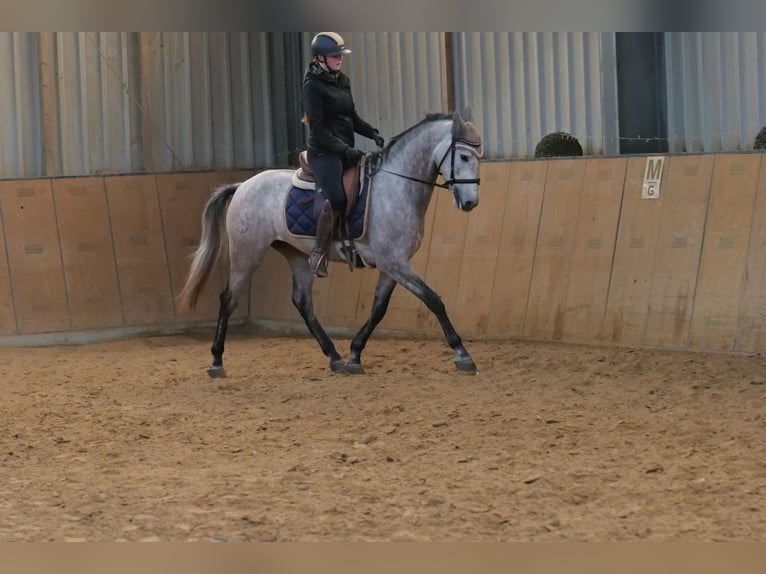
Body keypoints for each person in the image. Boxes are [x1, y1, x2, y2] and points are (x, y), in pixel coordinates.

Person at [301, 32, 385, 278]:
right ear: (320, 58)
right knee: (336, 197)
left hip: (345, 149)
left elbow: (351, 117)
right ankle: (319, 252)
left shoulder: (342, 79)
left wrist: (372, 133)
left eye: (340, 55)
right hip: (324, 152)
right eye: (334, 56)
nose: (339, 59)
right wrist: (344, 149)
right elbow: (318, 129)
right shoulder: (312, 87)